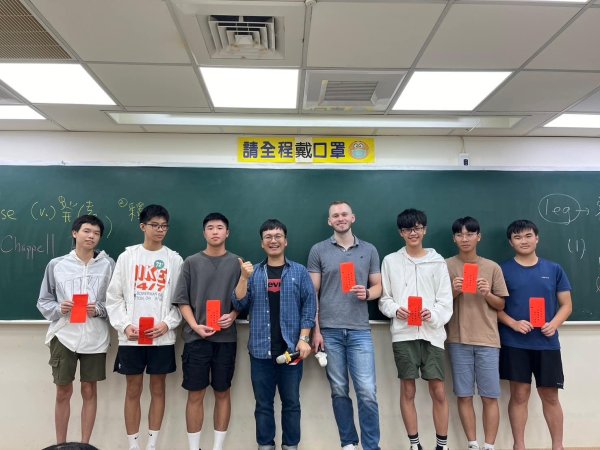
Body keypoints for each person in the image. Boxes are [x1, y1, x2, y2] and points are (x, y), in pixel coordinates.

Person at [232, 219, 316, 450]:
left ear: (285, 241)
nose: (273, 240)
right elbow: (238, 302)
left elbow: (309, 306)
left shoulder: (299, 271)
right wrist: (243, 277)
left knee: (292, 404)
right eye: (268, 237)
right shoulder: (253, 273)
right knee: (263, 405)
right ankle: (265, 445)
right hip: (260, 351)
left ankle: (291, 446)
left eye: (278, 236)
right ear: (262, 243)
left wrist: (304, 338)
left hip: (291, 351)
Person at [106, 204, 183, 450]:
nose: (160, 230)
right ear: (143, 226)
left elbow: (181, 300)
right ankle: (133, 444)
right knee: (133, 389)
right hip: (132, 337)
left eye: (164, 226)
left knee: (158, 388)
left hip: (161, 338)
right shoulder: (128, 257)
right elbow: (113, 297)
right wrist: (124, 326)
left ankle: (152, 444)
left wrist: (167, 324)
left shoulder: (174, 259)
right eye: (155, 225)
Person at [307, 201, 382, 450]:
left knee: (367, 391)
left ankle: (371, 446)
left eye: (344, 214)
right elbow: (312, 294)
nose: (340, 218)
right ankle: (348, 443)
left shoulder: (369, 250)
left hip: (360, 330)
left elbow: (378, 286)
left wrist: (368, 294)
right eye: (335, 215)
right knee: (339, 390)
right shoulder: (318, 250)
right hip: (329, 331)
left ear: (353, 218)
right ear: (329, 221)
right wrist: (316, 330)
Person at [378, 208, 453, 450]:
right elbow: (384, 299)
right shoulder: (390, 261)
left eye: (417, 228)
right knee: (407, 389)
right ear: (401, 233)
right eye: (407, 229)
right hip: (404, 334)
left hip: (433, 334)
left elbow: (445, 300)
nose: (413, 233)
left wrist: (433, 314)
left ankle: (441, 445)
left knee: (438, 390)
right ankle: (415, 444)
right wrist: (395, 310)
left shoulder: (438, 261)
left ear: (424, 230)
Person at [37, 215, 115, 446]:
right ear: (75, 233)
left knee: (89, 390)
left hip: (95, 336)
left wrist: (99, 309)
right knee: (63, 391)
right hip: (64, 335)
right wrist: (59, 308)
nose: (91, 236)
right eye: (87, 231)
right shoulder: (57, 265)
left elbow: (116, 301)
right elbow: (43, 301)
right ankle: (61, 445)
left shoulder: (108, 265)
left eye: (96, 233)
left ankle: (84, 445)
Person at [498, 219, 572, 450]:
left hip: (547, 343)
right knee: (519, 395)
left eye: (528, 236)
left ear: (537, 238)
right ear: (510, 242)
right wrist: (513, 323)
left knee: (550, 395)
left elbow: (567, 305)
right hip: (515, 343)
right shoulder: (502, 270)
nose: (524, 241)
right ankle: (518, 446)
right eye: (518, 237)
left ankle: (558, 446)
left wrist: (554, 323)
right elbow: (495, 307)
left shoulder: (554, 269)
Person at [172, 213, 243, 450]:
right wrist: (194, 326)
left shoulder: (237, 263)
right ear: (204, 233)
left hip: (226, 339)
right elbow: (182, 300)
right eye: (210, 228)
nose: (215, 232)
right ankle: (194, 448)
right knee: (195, 393)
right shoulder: (191, 262)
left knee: (223, 391)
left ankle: (217, 447)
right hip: (196, 339)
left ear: (227, 233)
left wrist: (233, 315)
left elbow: (243, 300)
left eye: (220, 227)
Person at [445, 217, 508, 450]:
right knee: (464, 395)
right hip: (457, 338)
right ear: (454, 238)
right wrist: (454, 291)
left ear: (478, 237)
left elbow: (501, 304)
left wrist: (487, 293)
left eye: (470, 234)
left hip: (488, 339)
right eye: (459, 234)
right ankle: (472, 443)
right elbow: (438, 303)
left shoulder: (492, 267)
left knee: (490, 395)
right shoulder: (445, 265)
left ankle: (489, 445)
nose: (465, 238)